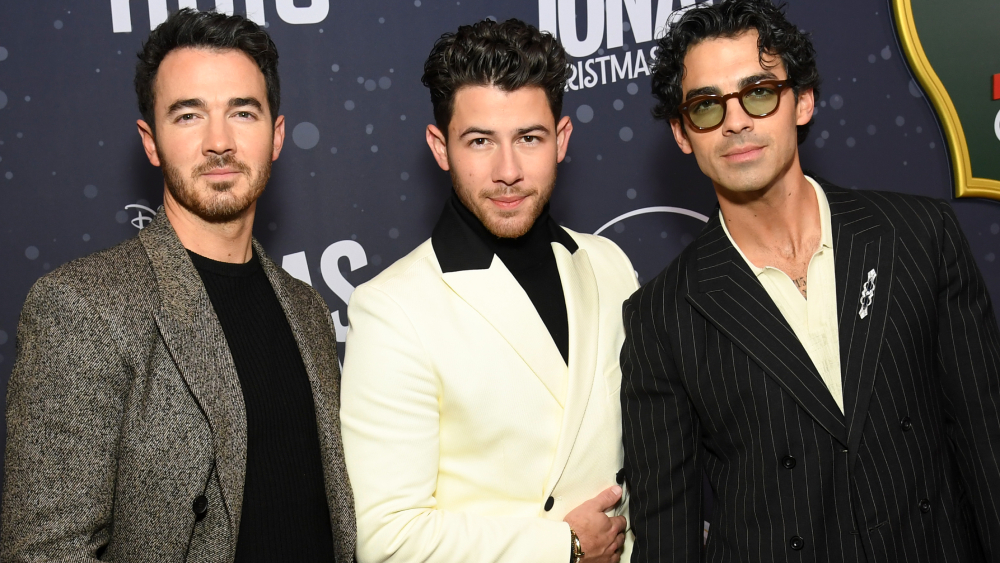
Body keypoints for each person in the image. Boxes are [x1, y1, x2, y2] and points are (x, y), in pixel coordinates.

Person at [620, 0, 1000, 561]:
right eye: (705, 106)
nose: (736, 121)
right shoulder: (661, 315)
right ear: (682, 133)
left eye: (759, 92)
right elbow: (667, 533)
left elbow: (987, 445)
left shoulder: (919, 235)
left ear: (802, 101)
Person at [1, 9, 355, 562]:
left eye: (243, 112)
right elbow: (46, 552)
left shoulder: (305, 307)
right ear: (151, 141)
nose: (219, 142)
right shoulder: (83, 306)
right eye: (189, 116)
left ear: (277, 135)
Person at [340, 18, 637, 563]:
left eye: (529, 138)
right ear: (440, 146)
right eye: (480, 141)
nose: (508, 171)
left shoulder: (609, 263)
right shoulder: (392, 309)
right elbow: (386, 539)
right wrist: (563, 545)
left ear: (561, 140)